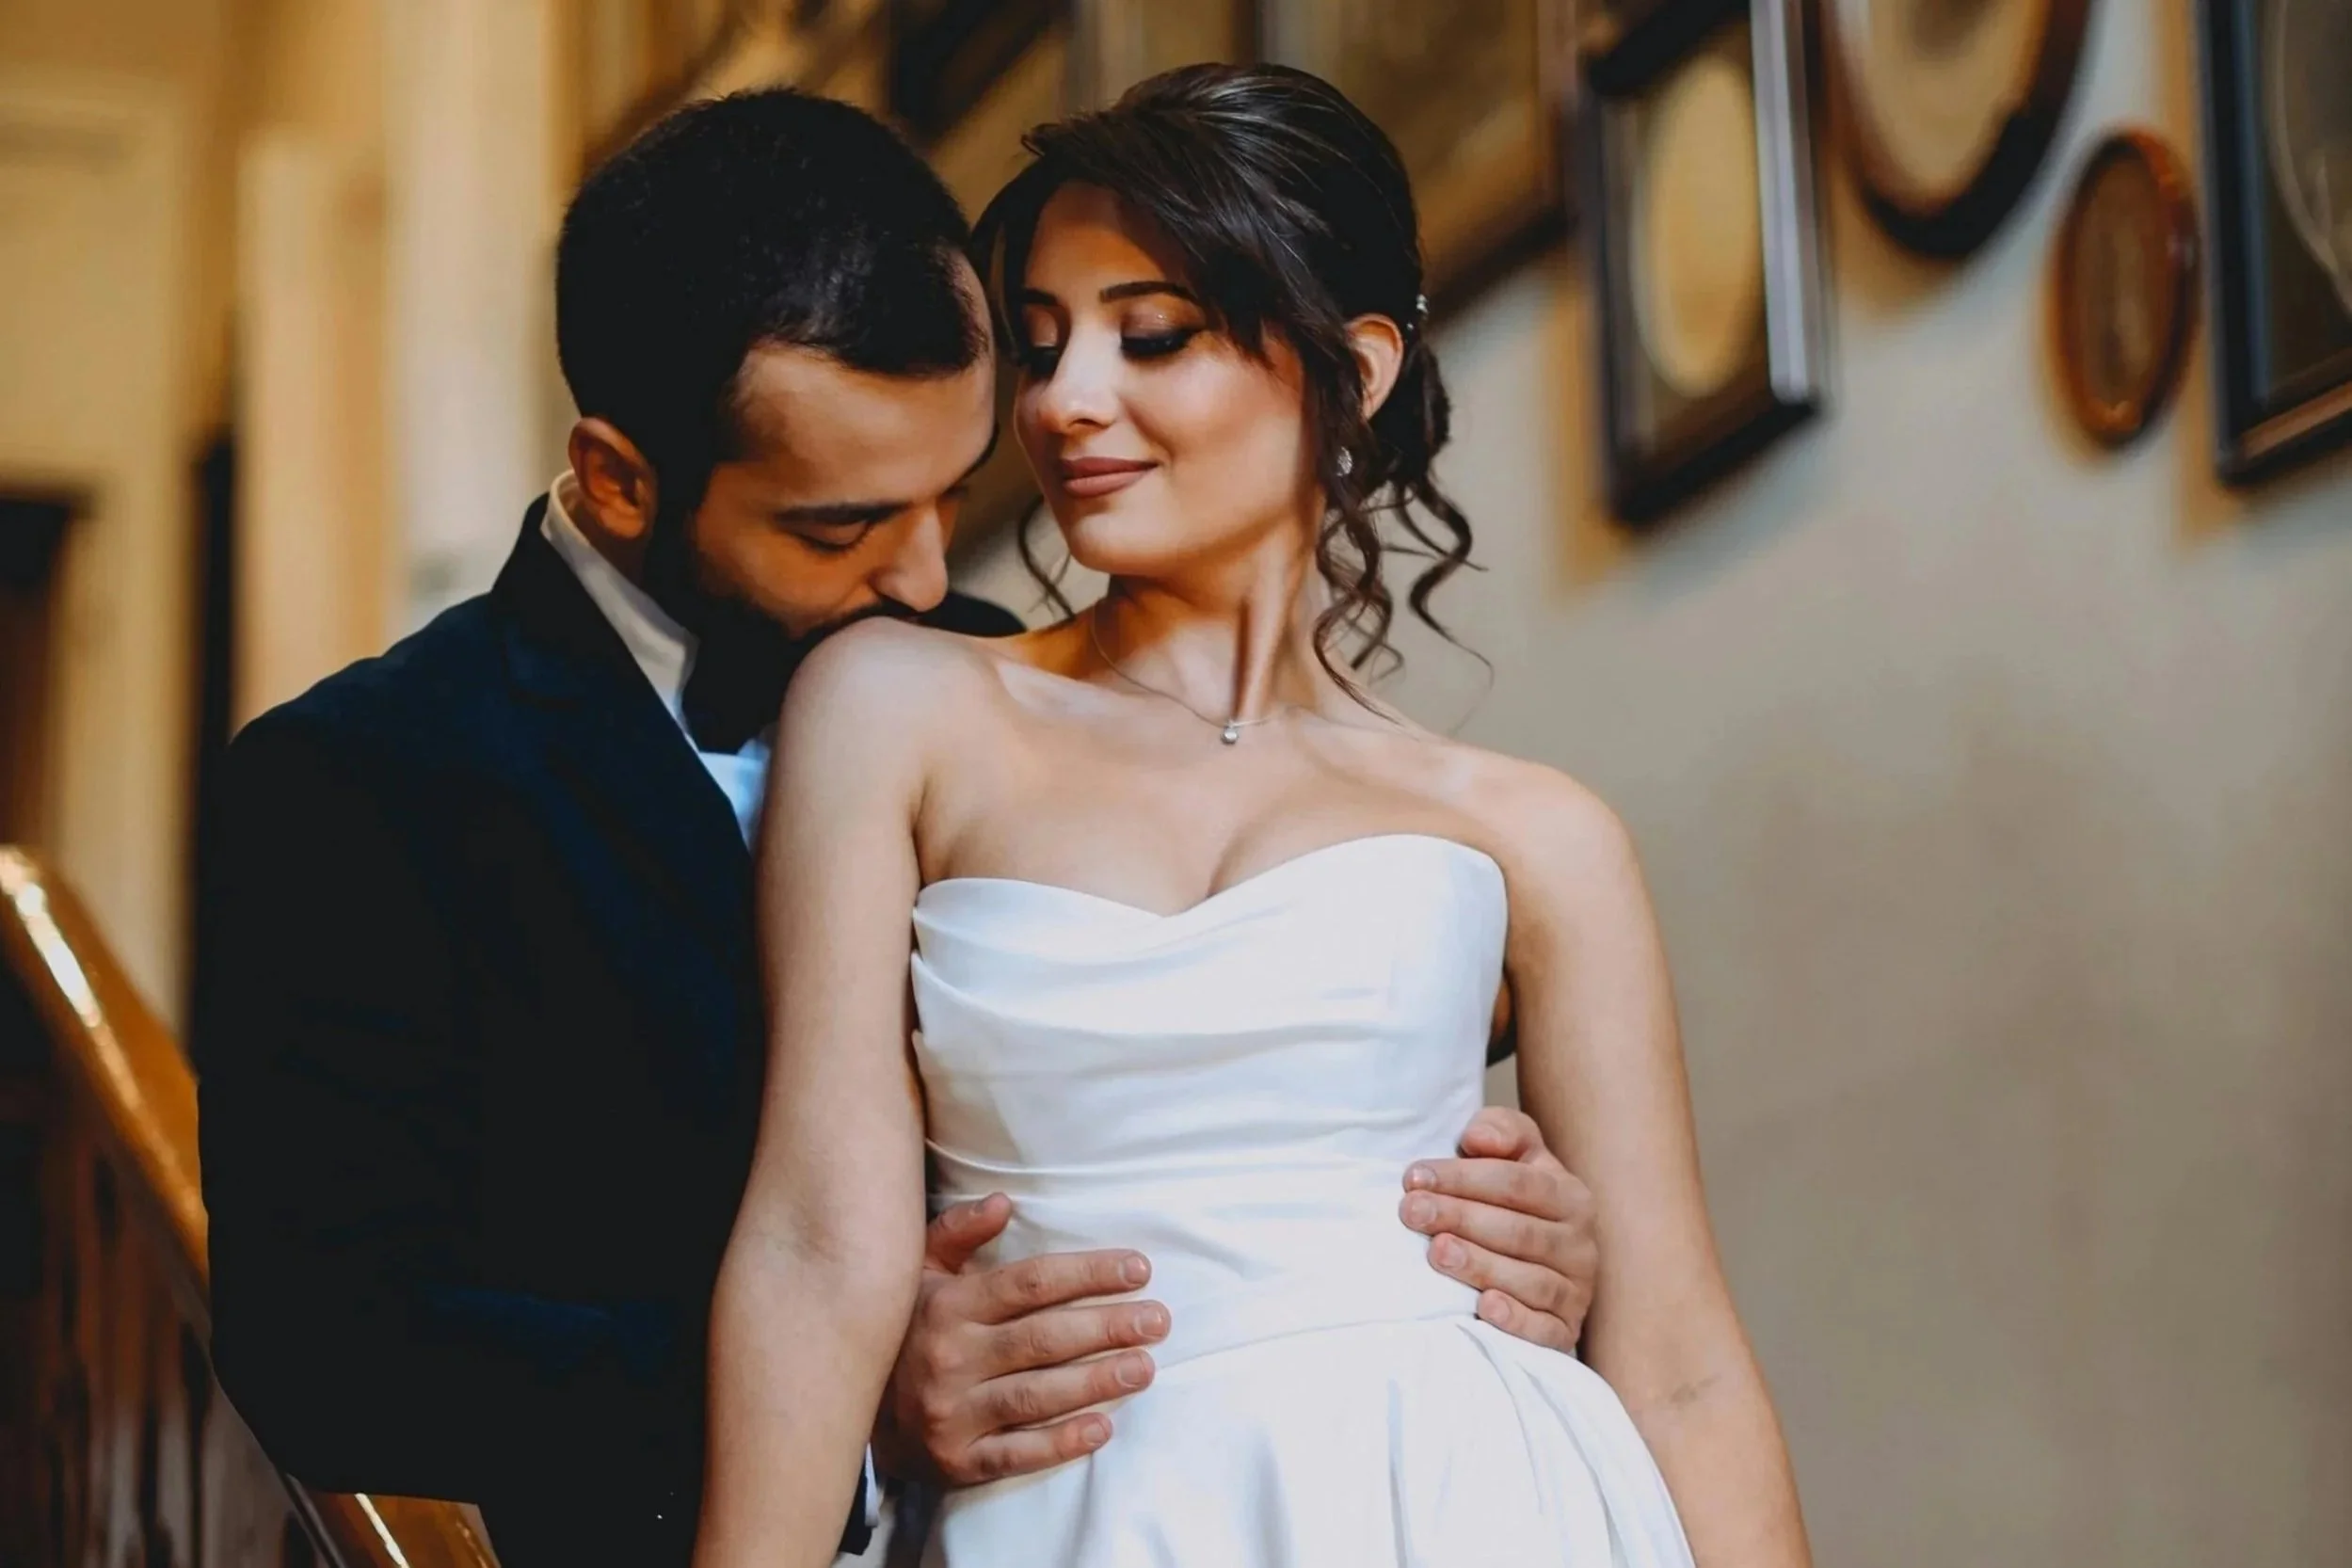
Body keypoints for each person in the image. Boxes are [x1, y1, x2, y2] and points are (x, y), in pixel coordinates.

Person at [192, 88, 1603, 1568]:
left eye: (957, 490)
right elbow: (322, 1346)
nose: (932, 579)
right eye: (839, 525)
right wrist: (848, 1399)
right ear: (619, 477)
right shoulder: (357, 782)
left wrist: (1501, 1247)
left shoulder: (994, 691)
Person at [698, 64, 1813, 1568]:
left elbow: (1676, 1357)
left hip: (1470, 1505)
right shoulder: (897, 707)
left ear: (1347, 373)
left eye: (1147, 335)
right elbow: (814, 1240)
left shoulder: (1531, 832)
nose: (1065, 402)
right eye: (1041, 345)